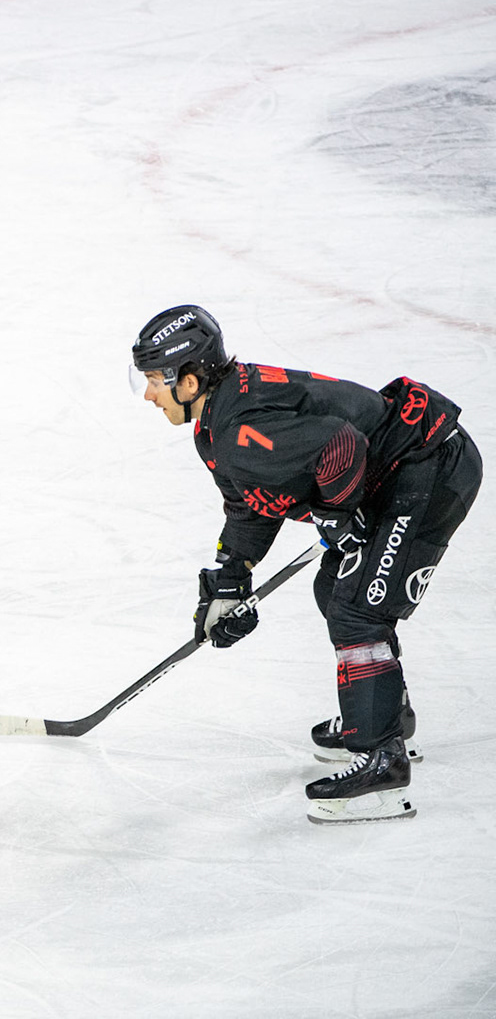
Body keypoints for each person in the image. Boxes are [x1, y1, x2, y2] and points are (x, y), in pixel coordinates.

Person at [131, 305, 481, 824]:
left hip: (429, 468)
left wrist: (339, 513)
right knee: (335, 588)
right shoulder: (219, 422)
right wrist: (230, 581)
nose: (148, 394)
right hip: (406, 465)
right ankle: (384, 715)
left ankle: (383, 763)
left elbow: (340, 446)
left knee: (357, 607)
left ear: (189, 380)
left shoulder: (233, 431)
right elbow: (250, 502)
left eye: (156, 381)